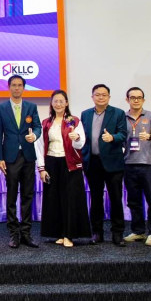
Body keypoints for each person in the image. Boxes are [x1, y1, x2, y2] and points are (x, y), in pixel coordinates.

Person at [35, 90, 92, 247]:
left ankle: (69, 235)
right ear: (51, 103)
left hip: (70, 164)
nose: (58, 104)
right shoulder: (46, 123)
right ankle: (59, 233)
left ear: (66, 103)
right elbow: (40, 147)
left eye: (61, 101)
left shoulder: (74, 121)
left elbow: (81, 143)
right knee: (54, 199)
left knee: (70, 199)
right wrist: (42, 169)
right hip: (51, 163)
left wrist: (76, 138)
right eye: (55, 101)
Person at [0, 75, 42, 248]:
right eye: (13, 85)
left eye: (19, 85)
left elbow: (38, 126)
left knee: (28, 195)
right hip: (10, 157)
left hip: (28, 156)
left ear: (24, 87)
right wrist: (0, 158)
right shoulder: (1, 108)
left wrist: (34, 135)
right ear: (9, 87)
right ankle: (14, 233)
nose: (16, 88)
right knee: (12, 196)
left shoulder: (31, 106)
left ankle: (26, 233)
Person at [80, 84, 128, 246]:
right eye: (97, 94)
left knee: (115, 199)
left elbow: (123, 134)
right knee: (95, 199)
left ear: (109, 97)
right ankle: (97, 232)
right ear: (92, 97)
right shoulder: (85, 114)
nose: (101, 97)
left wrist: (112, 137)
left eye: (104, 95)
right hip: (92, 162)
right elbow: (83, 137)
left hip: (113, 163)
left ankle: (117, 234)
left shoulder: (118, 113)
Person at [123, 87, 151, 246]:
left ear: (143, 100)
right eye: (133, 97)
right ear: (127, 100)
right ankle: (138, 231)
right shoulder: (122, 117)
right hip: (129, 164)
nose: (136, 100)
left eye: (139, 97)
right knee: (134, 201)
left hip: (148, 165)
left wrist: (150, 136)